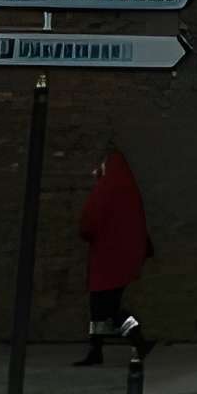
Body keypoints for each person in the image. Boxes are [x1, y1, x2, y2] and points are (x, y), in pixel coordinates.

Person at [74, 145, 153, 365]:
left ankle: (135, 337)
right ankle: (99, 349)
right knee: (103, 308)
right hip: (122, 261)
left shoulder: (105, 189)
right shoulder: (129, 192)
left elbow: (89, 222)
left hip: (105, 261)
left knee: (104, 308)